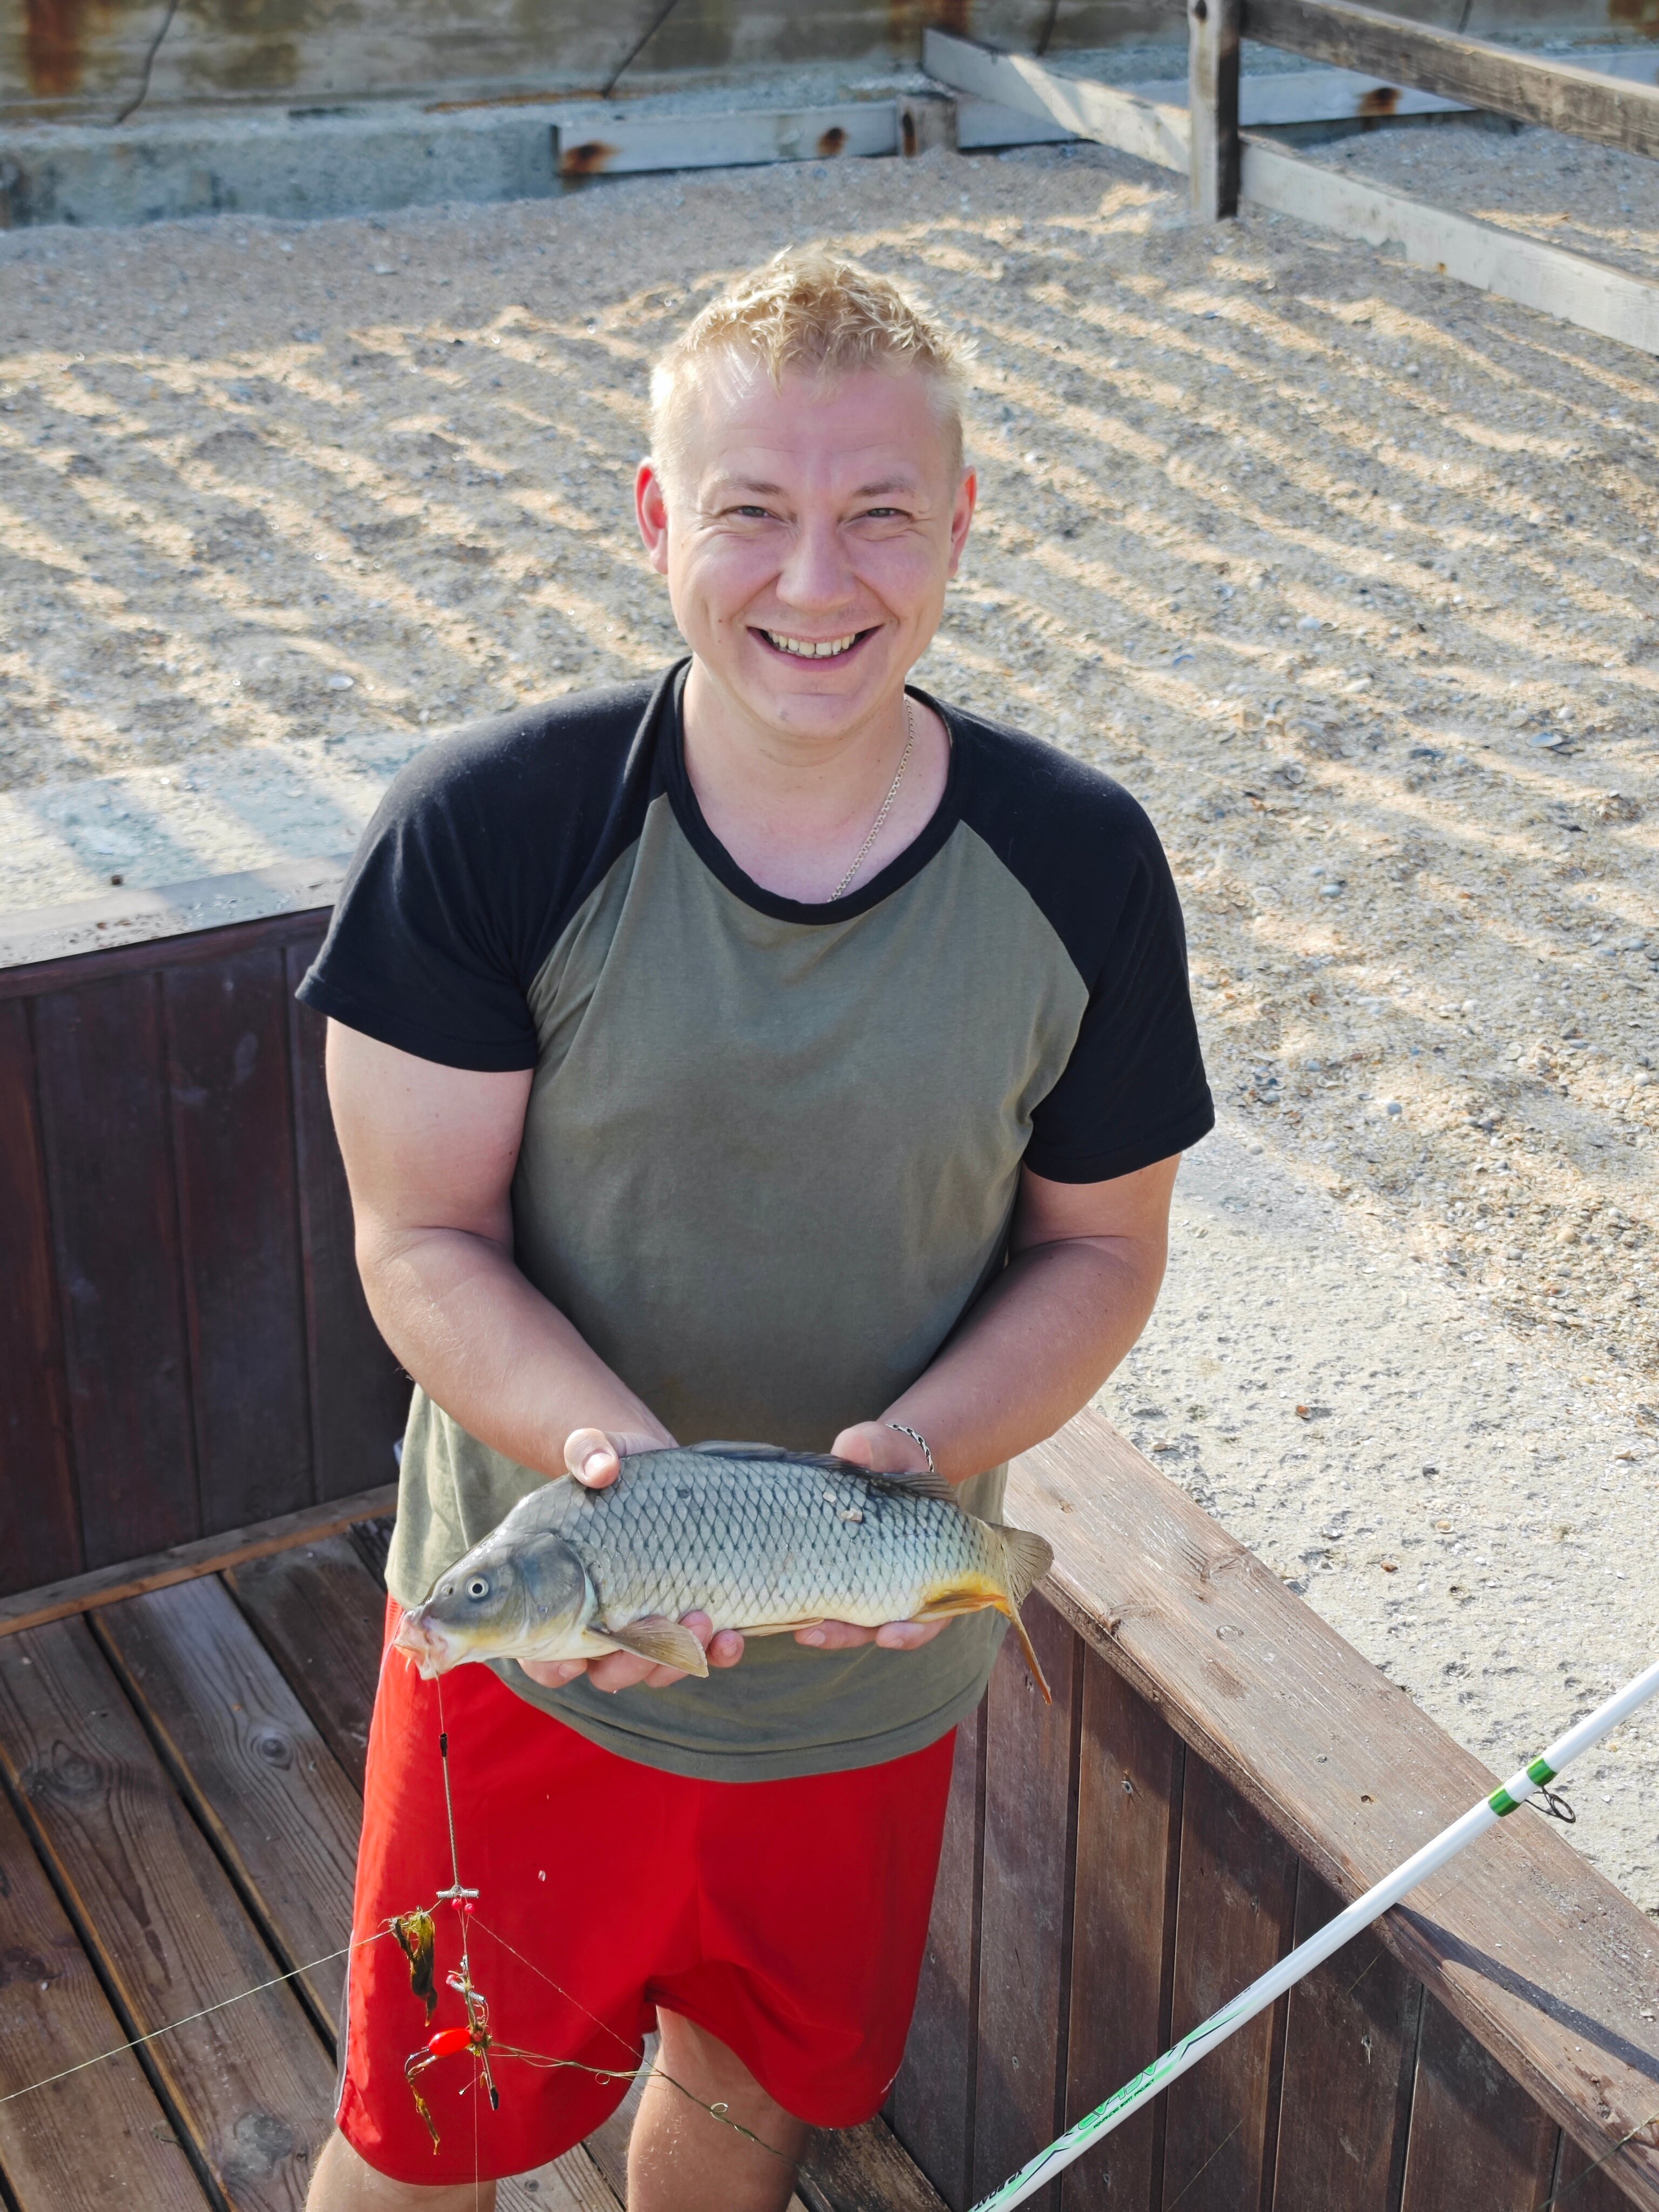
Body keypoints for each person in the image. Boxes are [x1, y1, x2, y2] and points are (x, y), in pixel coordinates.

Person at [298, 248, 1212, 2212]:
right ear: (655, 522)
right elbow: (420, 1239)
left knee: (737, 2101)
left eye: (882, 512)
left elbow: (1100, 1253)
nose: (820, 582)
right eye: (754, 514)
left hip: (861, 1668)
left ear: (960, 524)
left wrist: (925, 1456)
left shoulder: (1085, 862)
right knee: (425, 2131)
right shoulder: (482, 829)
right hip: (526, 1648)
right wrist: (611, 1475)